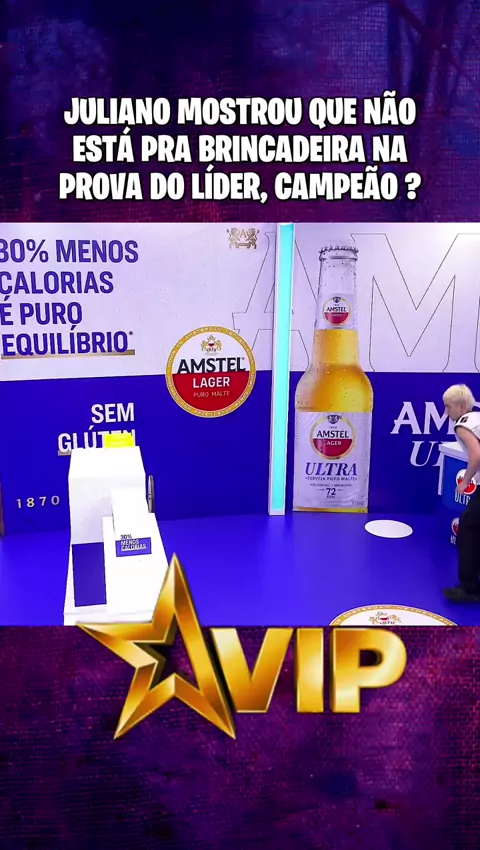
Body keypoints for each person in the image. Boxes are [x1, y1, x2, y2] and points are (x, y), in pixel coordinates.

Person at [443, 384, 480, 602]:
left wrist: (465, 481)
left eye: (449, 407)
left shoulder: (463, 424)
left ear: (462, 406)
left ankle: (469, 588)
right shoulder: (478, 418)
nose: (446, 412)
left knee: (468, 529)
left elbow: (476, 455)